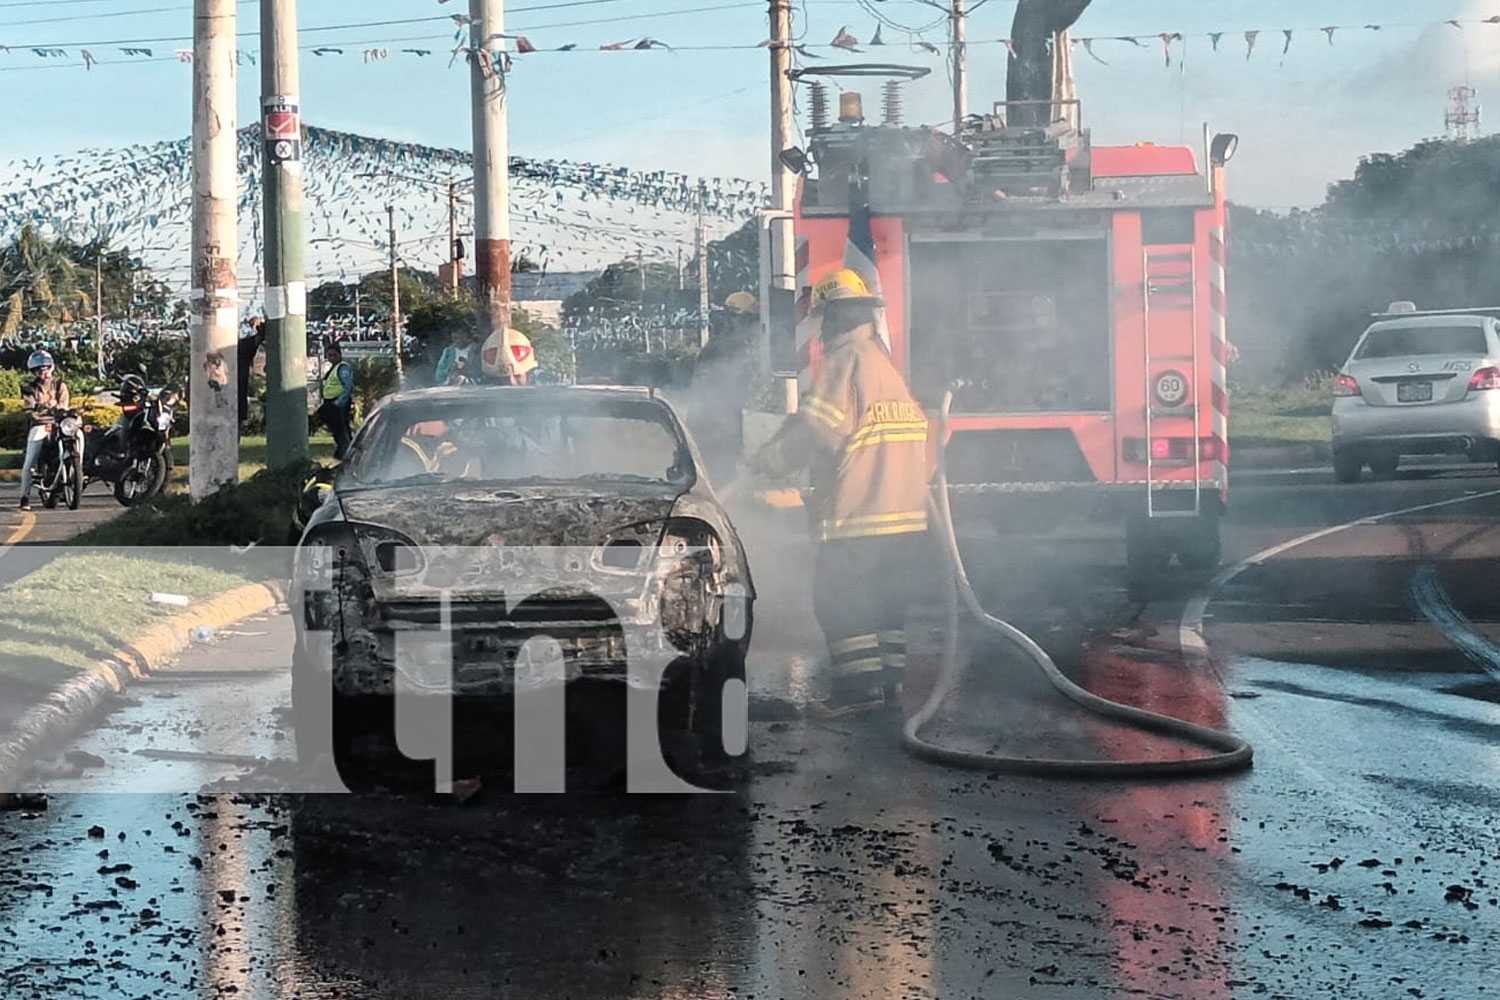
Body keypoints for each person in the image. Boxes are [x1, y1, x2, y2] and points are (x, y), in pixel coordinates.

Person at [747, 268, 932, 717]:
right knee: (887, 605)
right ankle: (887, 685)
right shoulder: (882, 367)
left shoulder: (843, 361)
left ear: (833, 318)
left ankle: (856, 691)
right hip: (905, 518)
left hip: (858, 516)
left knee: (838, 601)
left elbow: (818, 429)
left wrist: (769, 464)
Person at [689, 291, 756, 484]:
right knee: (720, 482)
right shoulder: (725, 349)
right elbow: (723, 396)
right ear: (738, 319)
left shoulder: (719, 346)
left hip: (715, 431)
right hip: (715, 433)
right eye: (749, 320)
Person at [18, 350, 71, 511]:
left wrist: (60, 409)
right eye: (39, 369)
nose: (43, 372)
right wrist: (43, 407)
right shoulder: (30, 388)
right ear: (33, 372)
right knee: (30, 461)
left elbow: (64, 404)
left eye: (46, 368)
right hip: (40, 425)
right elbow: (29, 407)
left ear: (51, 367)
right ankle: (24, 497)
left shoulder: (60, 384)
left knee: (76, 441)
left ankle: (75, 477)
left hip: (60, 424)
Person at [317, 341, 355, 460]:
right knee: (335, 428)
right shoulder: (333, 368)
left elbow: (348, 385)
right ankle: (342, 450)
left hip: (338, 403)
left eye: (334, 355)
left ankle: (347, 451)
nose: (331, 358)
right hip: (330, 402)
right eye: (329, 355)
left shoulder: (342, 368)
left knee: (342, 429)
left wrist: (339, 402)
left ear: (339, 355)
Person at [238, 316, 266, 435]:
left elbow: (262, 335)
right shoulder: (205, 349)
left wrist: (259, 324)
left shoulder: (242, 348)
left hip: (236, 400)